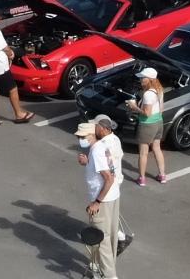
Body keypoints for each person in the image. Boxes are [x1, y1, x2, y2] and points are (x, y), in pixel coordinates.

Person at [78, 115, 123, 279]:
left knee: (101, 240)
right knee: (109, 237)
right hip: (113, 196)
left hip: (102, 200)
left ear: (93, 133)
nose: (79, 139)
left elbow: (108, 178)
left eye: (82, 136)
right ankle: (100, 266)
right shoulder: (102, 146)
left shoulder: (97, 150)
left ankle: (109, 275)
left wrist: (96, 202)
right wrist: (88, 162)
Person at [0, 7, 34, 128]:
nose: (0, 20)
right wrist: (11, 54)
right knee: (13, 89)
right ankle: (19, 114)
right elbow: (4, 47)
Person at [125, 66, 167, 185]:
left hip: (147, 125)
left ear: (149, 79)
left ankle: (142, 178)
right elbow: (161, 109)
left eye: (143, 78)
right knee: (157, 148)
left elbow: (146, 113)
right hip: (159, 122)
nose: (140, 80)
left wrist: (133, 107)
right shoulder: (159, 89)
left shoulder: (148, 94)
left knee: (143, 152)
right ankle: (162, 175)